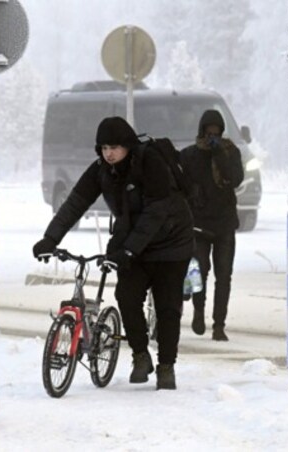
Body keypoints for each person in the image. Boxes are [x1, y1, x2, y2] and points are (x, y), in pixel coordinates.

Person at [32, 116, 194, 390]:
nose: (109, 153)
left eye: (115, 147)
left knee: (167, 308)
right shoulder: (102, 171)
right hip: (132, 243)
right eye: (104, 147)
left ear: (128, 146)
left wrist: (128, 250)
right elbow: (75, 202)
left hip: (170, 243)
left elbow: (156, 212)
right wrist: (50, 238)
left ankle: (166, 366)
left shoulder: (150, 162)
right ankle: (140, 356)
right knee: (127, 297)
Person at [180, 110, 244, 341]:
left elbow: (235, 180)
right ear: (202, 132)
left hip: (224, 223)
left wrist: (220, 155)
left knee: (224, 275)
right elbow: (180, 184)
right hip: (199, 224)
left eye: (217, 133)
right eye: (209, 133)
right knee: (199, 271)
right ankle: (199, 311)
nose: (213, 138)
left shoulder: (230, 152)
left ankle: (219, 325)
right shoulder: (189, 155)